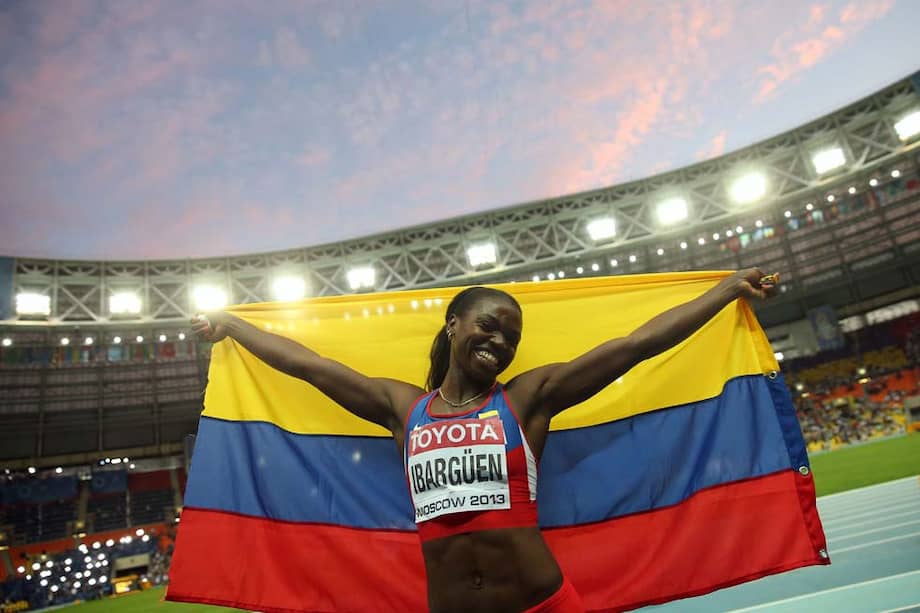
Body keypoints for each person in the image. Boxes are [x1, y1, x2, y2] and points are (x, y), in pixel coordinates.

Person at [192, 268, 777, 613]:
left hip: (541, 604)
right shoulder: (404, 409)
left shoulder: (526, 400)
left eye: (511, 337)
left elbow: (633, 346)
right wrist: (235, 327)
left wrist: (726, 290)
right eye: (488, 326)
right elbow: (310, 366)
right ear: (453, 326)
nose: (499, 342)